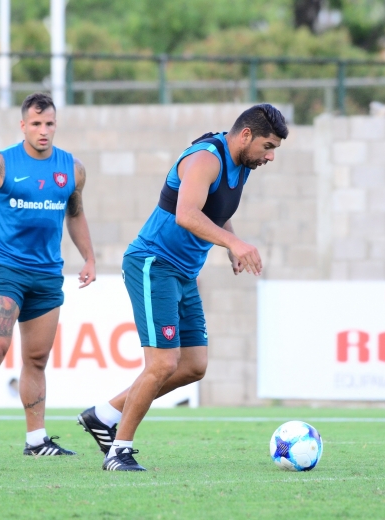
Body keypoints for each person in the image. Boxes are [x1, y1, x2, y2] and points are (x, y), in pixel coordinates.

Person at [77, 104, 288, 471]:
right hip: (152, 263)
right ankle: (119, 451)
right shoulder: (206, 159)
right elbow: (187, 214)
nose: (270, 156)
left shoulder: (243, 164)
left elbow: (218, 210)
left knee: (193, 366)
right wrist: (233, 244)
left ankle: (104, 415)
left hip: (184, 272)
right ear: (246, 135)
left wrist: (229, 244)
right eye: (268, 147)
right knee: (162, 363)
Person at [0, 93, 96, 458]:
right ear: (23, 125)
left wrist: (89, 257)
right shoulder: (0, 164)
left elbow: (74, 214)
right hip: (6, 270)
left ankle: (36, 440)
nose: (43, 131)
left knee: (37, 359)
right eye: (36, 124)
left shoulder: (71, 168)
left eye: (49, 124)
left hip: (47, 275)